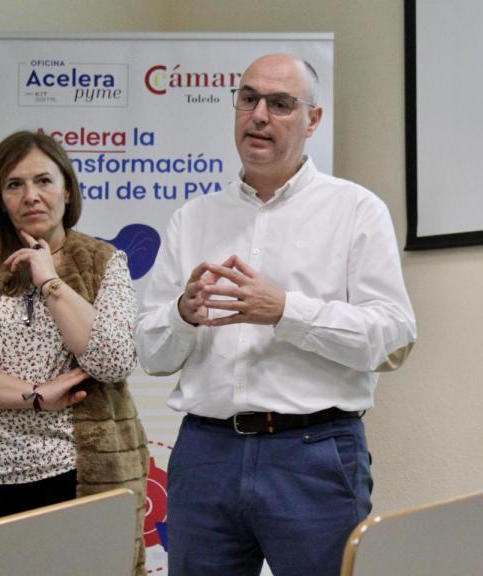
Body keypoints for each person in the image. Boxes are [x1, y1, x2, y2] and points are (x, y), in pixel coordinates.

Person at [134, 53, 417, 576]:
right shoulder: (192, 219)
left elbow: (394, 337)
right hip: (205, 452)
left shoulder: (356, 210)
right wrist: (182, 315)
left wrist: (286, 310)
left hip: (313, 453)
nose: (259, 115)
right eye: (249, 99)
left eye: (281, 103)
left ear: (313, 120)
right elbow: (151, 355)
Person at [0, 131, 150, 576]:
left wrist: (49, 280)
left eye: (43, 180)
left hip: (79, 479)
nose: (31, 196)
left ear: (67, 190)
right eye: (14, 184)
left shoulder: (104, 261)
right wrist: (35, 395)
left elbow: (113, 359)